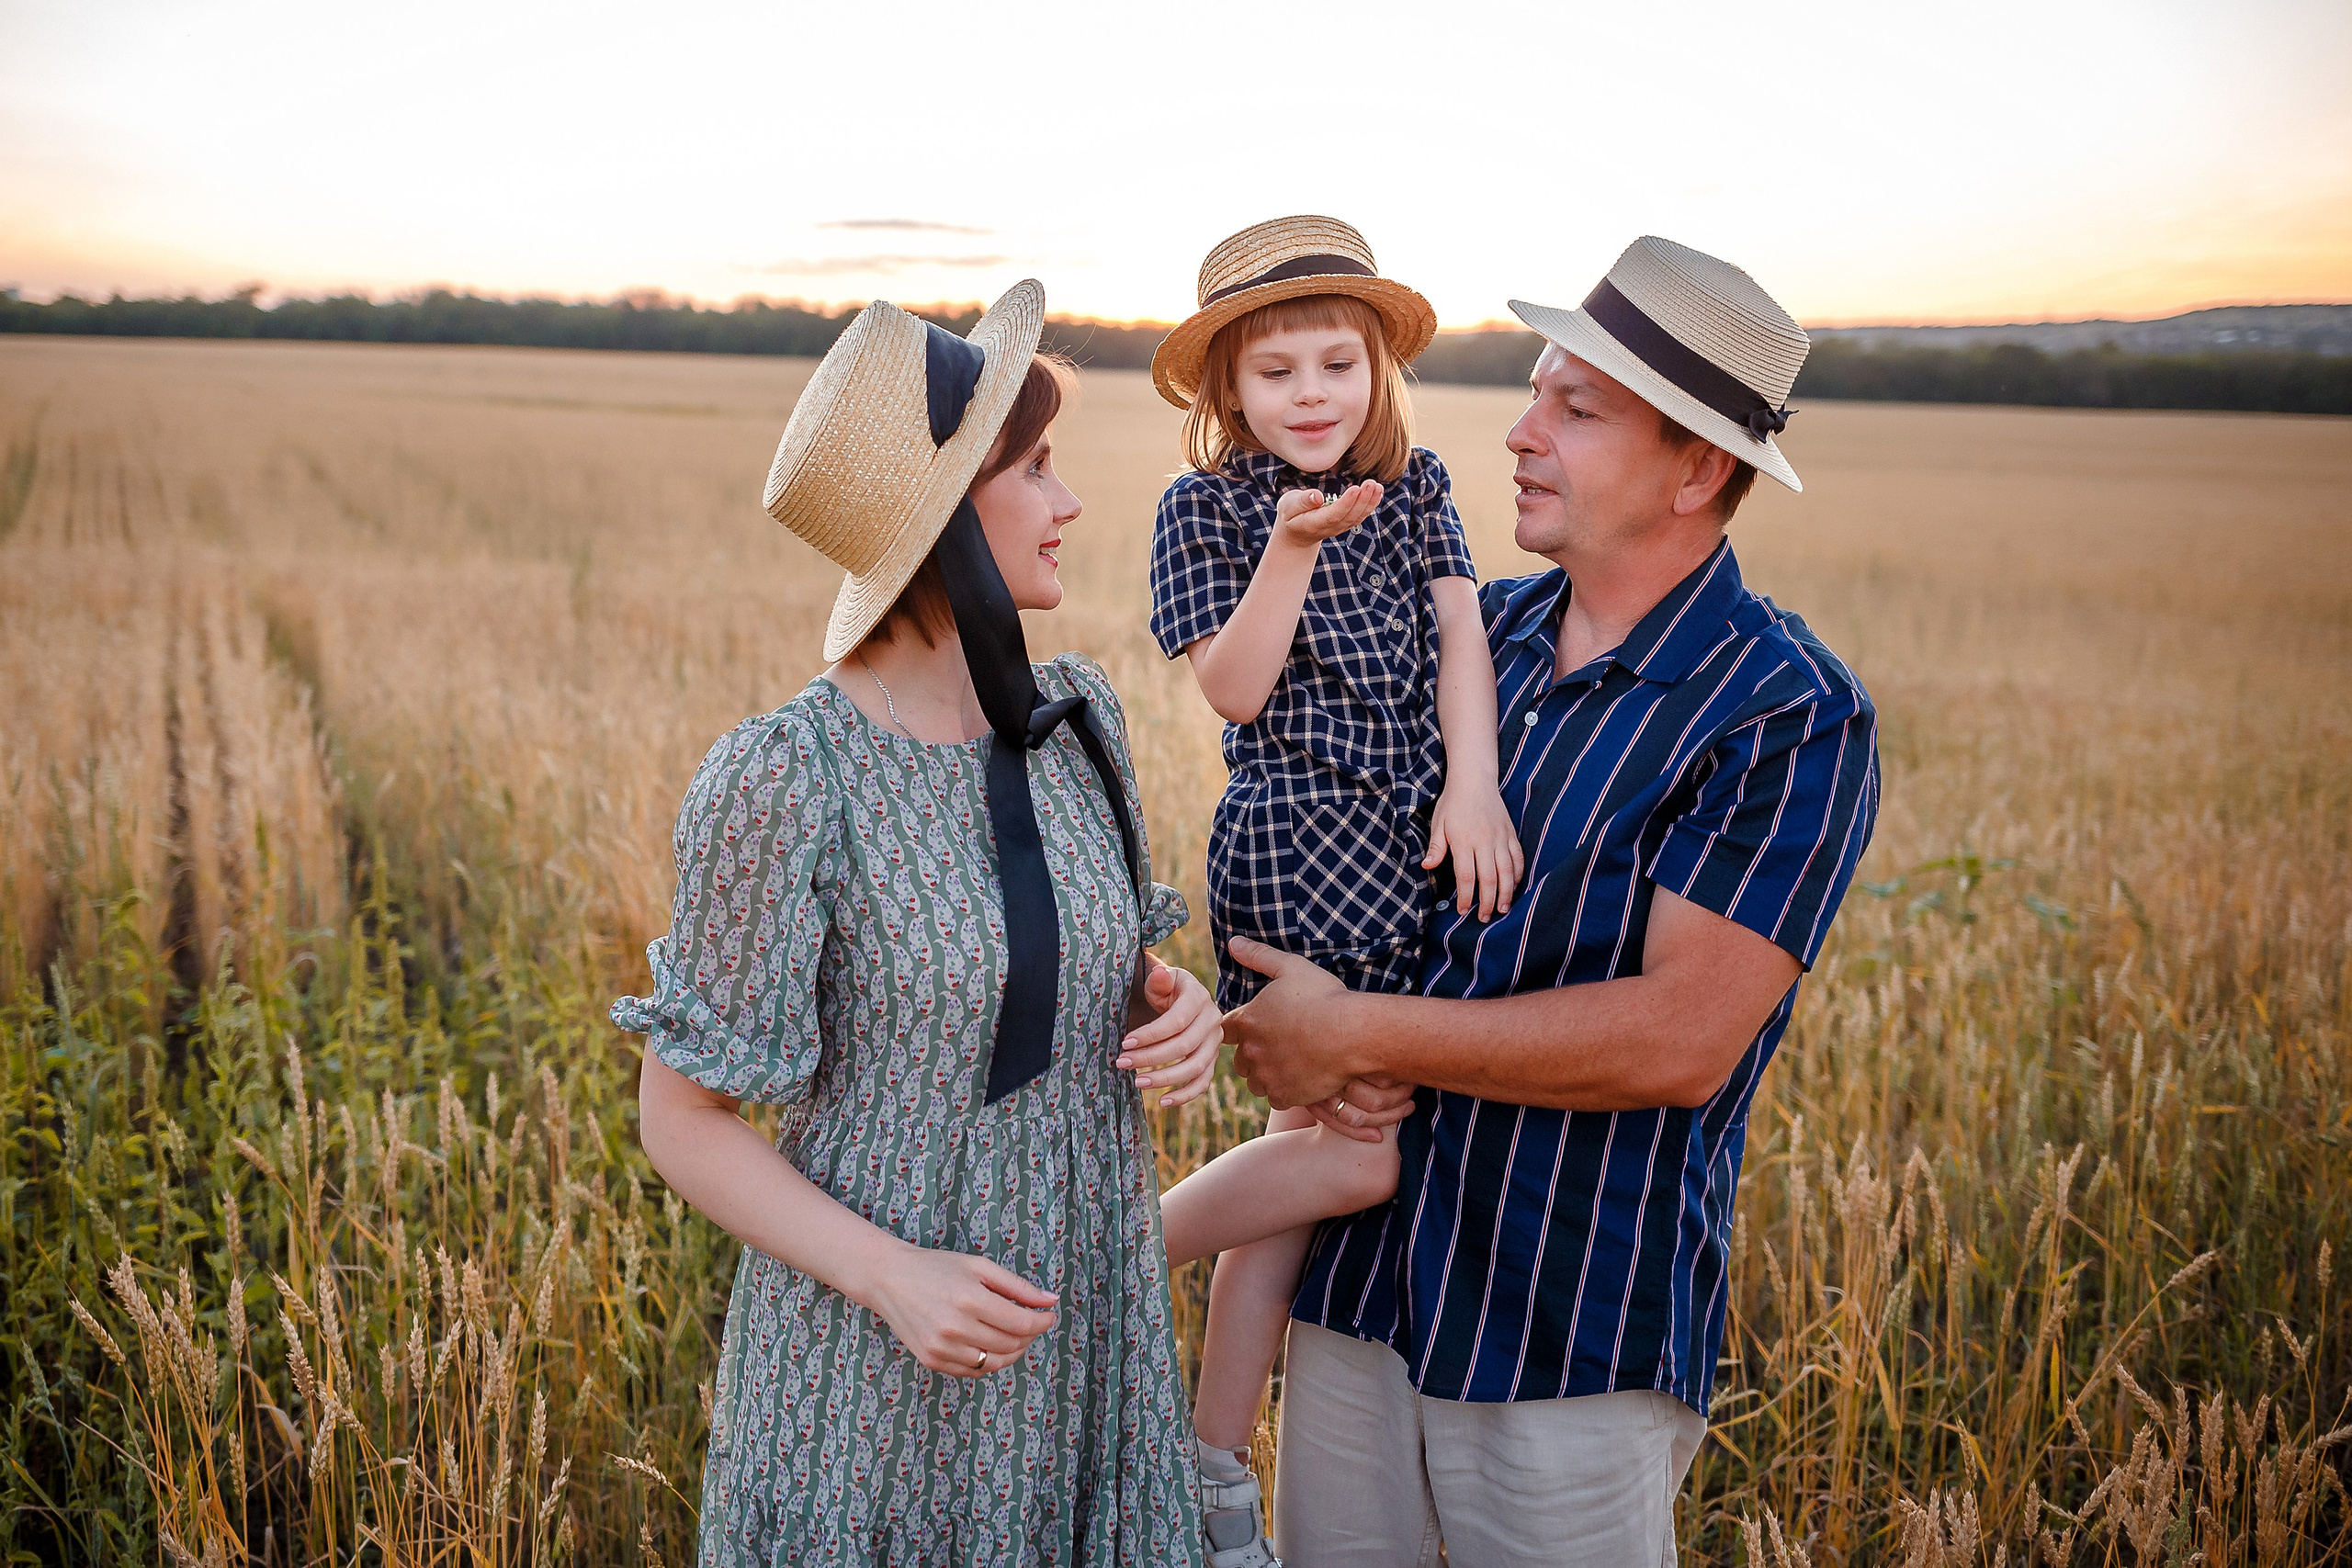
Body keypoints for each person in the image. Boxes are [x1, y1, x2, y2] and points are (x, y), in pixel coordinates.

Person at [1224, 237, 1883, 1567]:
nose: (1521, 434)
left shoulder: (1785, 712)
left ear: (1700, 469)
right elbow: (1303, 824)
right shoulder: (1471, 633)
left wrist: (1354, 1034)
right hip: (1355, 1297)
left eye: (1576, 410)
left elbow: (1680, 1041)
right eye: (1535, 394)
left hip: (1567, 1328)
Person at [616, 281, 1221, 1566]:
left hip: (1083, 1337)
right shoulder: (787, 778)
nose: (1068, 505)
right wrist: (892, 1275)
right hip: (881, 1365)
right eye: (1037, 469)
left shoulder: (1078, 723)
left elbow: (1053, 966)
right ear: (943, 514)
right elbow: (682, 1119)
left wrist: (1168, 1003)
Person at [1144, 216, 1522, 1568]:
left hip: (1409, 838)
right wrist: (1294, 549)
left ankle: (1210, 1477)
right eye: (1276, 373)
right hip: (1299, 847)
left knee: (1308, 1190)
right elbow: (1235, 690)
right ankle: (1114, 1255)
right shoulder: (1207, 511)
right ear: (1226, 396)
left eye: (1337, 364)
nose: (1313, 396)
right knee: (1358, 1156)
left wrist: (1470, 788)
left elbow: (1466, 640)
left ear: (1378, 372)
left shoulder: (1417, 485)